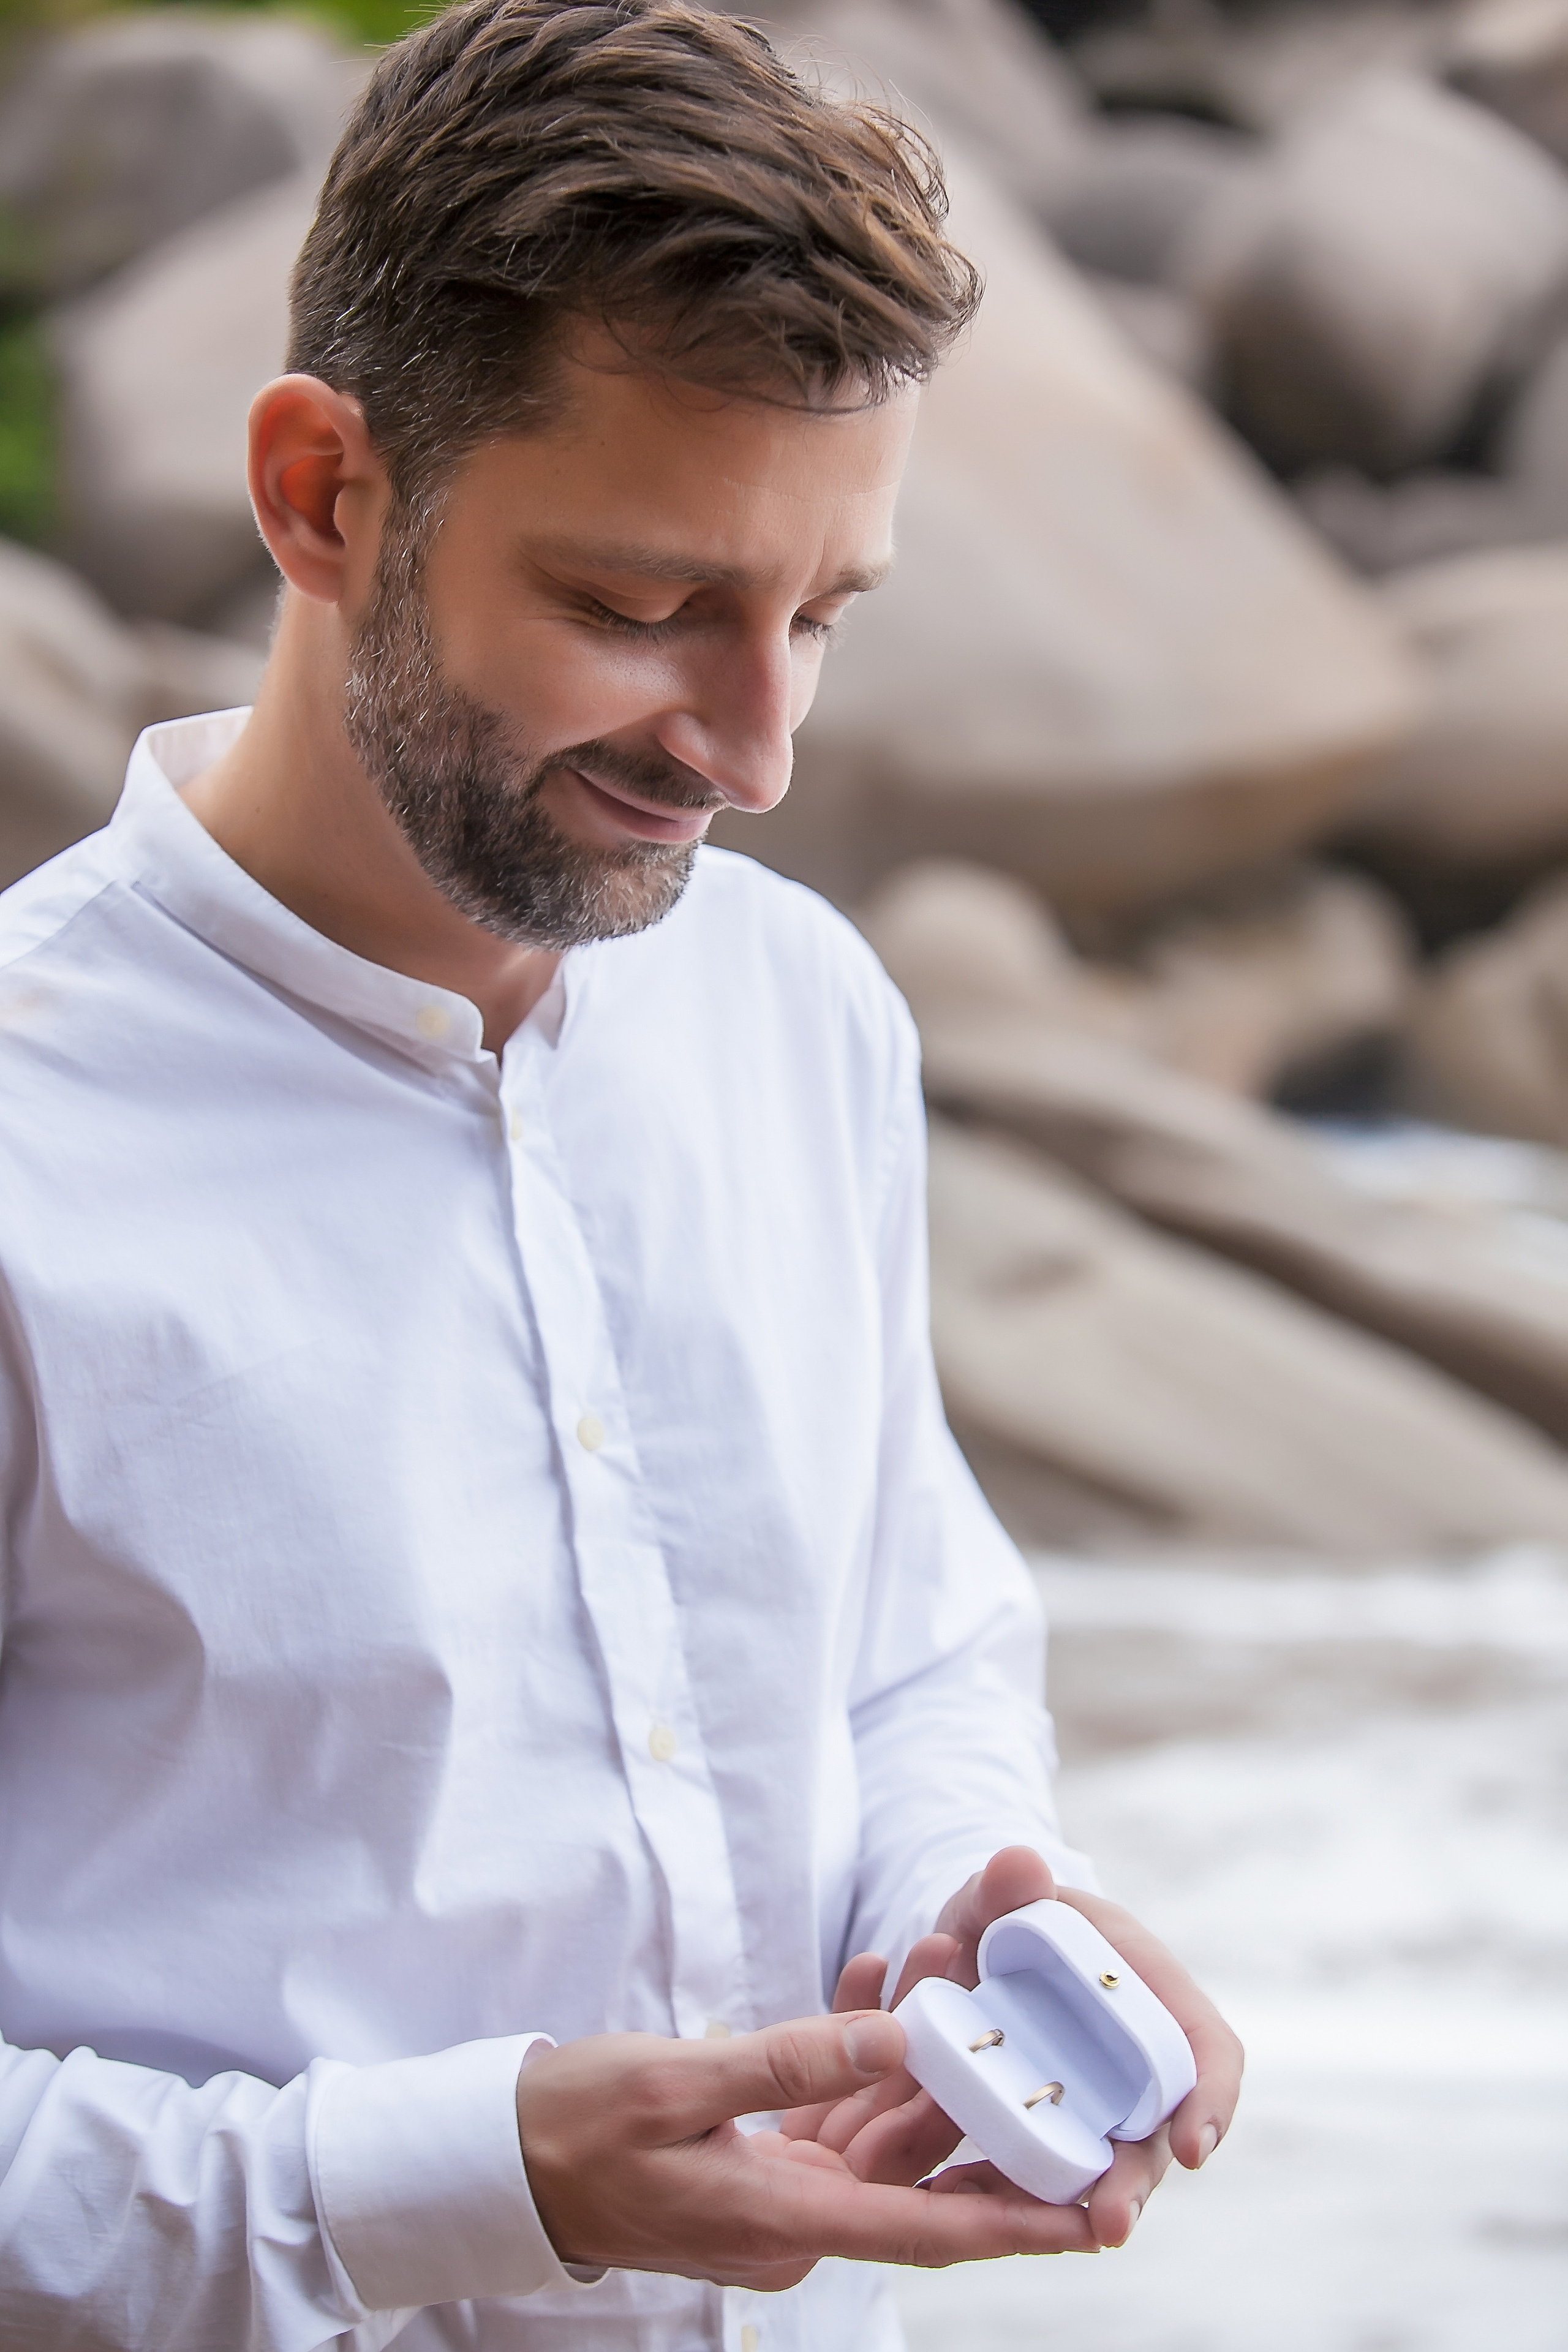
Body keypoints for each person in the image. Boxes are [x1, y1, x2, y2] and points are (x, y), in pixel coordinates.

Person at [0, 2, 1242, 2345]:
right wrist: (464, 2185)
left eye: (817, 619)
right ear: (322, 495)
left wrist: (978, 1885)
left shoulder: (804, 1013)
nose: (758, 754)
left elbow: (910, 1642)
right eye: (644, 609)